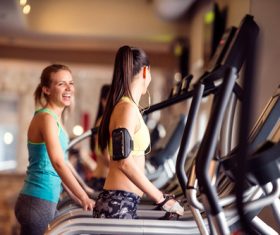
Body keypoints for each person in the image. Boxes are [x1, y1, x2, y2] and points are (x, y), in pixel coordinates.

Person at [92, 46, 184, 219]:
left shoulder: (128, 107)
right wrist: (161, 198)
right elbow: (123, 161)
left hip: (125, 201)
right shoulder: (125, 108)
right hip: (119, 203)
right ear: (145, 71)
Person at [14, 64, 95, 235]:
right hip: (37, 200)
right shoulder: (46, 118)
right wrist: (83, 196)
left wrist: (78, 195)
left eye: (71, 83)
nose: (68, 88)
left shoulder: (54, 120)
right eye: (61, 84)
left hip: (45, 200)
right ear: (46, 89)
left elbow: (59, 166)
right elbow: (58, 163)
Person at [87, 84, 111, 191]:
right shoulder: (103, 122)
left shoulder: (102, 121)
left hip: (100, 178)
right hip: (102, 180)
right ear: (103, 101)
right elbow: (106, 157)